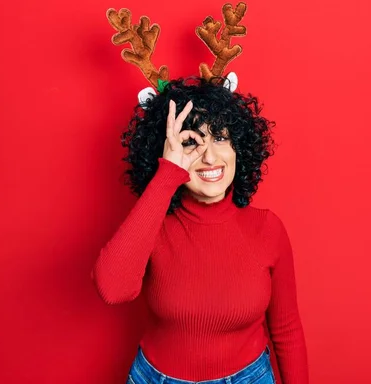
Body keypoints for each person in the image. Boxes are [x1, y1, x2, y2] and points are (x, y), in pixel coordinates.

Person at [92, 76, 308, 384]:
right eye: (190, 142)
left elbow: (287, 329)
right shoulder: (153, 224)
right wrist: (168, 175)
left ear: (239, 147)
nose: (209, 156)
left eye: (220, 138)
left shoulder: (267, 229)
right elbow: (112, 289)